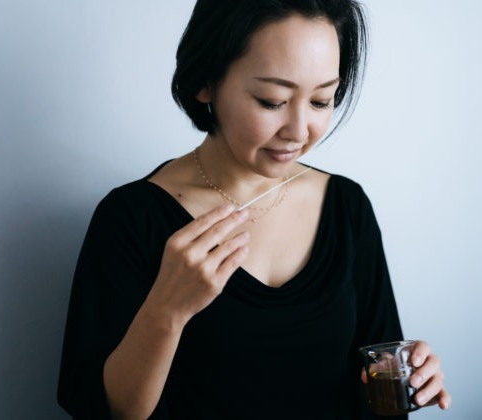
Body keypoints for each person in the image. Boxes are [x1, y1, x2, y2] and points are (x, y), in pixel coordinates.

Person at [57, 1, 452, 418]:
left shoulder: (347, 206)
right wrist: (167, 311)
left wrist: (409, 373)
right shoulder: (130, 218)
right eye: (272, 101)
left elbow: (380, 372)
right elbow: (106, 410)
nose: (299, 131)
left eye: (321, 101)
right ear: (206, 81)